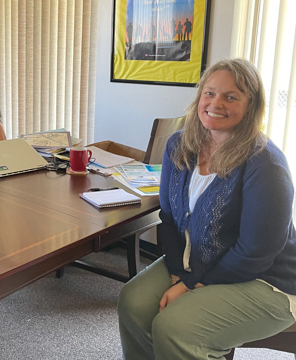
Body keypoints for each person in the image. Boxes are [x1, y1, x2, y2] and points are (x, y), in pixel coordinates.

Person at [117, 58, 296, 359]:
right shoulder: (178, 145)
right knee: (132, 302)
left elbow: (254, 253)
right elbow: (170, 220)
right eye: (209, 93)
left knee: (175, 328)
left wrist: (191, 284)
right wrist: (176, 273)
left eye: (231, 96)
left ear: (251, 105)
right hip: (196, 261)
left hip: (268, 280)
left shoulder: (265, 164)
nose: (216, 103)